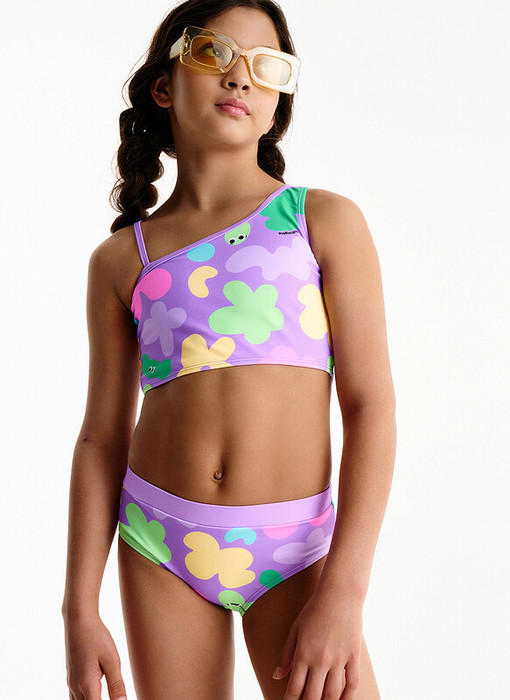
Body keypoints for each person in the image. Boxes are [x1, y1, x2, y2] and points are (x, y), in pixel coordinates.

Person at [61, 1, 396, 699]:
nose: (240, 77)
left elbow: (370, 407)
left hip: (295, 549)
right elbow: (100, 438)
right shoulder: (121, 260)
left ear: (276, 106)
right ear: (164, 86)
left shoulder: (318, 222)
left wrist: (345, 591)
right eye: (213, 54)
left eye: (265, 66)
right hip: (160, 543)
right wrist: (79, 608)